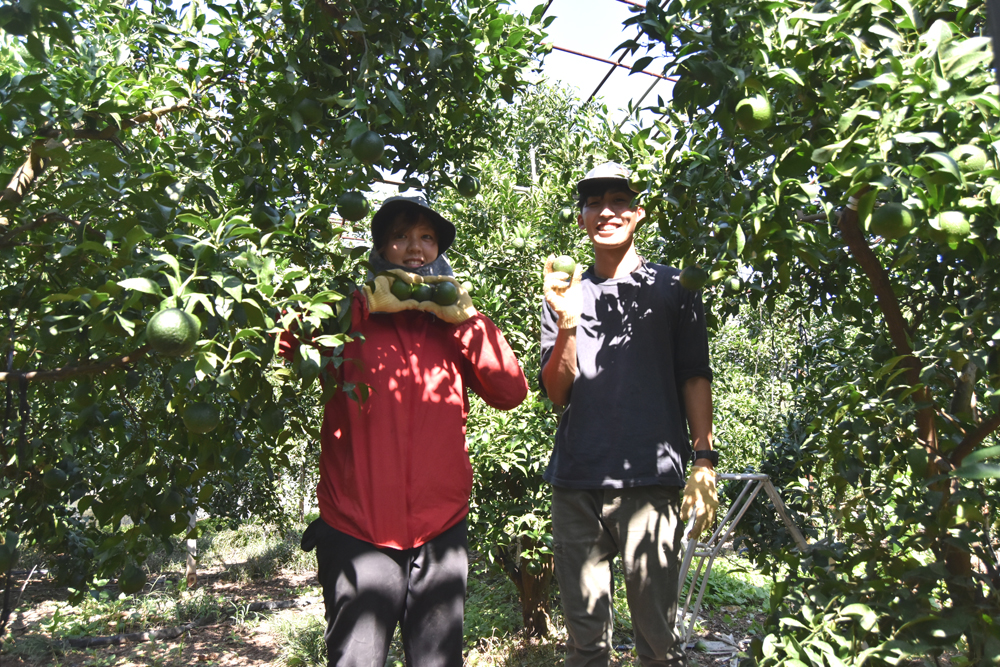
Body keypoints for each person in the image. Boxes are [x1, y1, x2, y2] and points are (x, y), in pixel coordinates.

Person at [282, 194, 529, 667]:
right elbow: (284, 344)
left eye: (426, 237)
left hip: (440, 528)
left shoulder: (453, 322)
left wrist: (468, 322)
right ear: (380, 246)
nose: (414, 248)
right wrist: (354, 307)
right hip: (358, 527)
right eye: (400, 236)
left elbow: (510, 390)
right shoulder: (350, 315)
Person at [539, 163, 719, 667]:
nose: (606, 212)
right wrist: (567, 322)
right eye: (594, 203)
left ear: (638, 213)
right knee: (585, 644)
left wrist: (704, 460)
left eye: (619, 201)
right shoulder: (564, 293)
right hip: (577, 482)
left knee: (657, 641)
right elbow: (557, 392)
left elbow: (694, 374)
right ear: (581, 220)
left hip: (649, 481)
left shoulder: (674, 287)